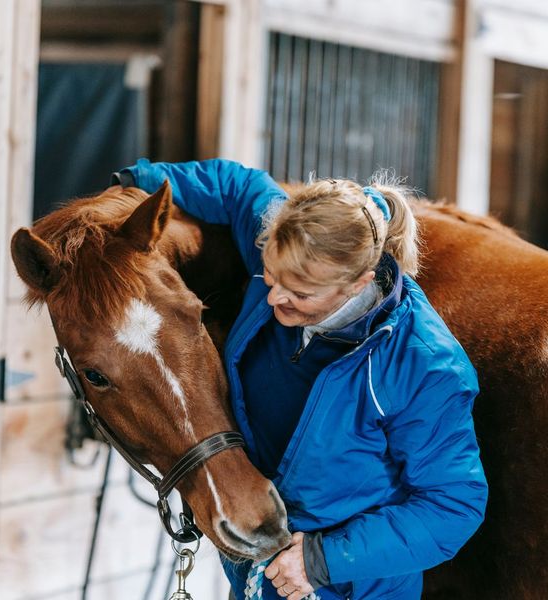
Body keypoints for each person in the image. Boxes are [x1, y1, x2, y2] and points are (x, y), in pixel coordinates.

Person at [112, 159, 488, 600]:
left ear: (357, 283)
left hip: (344, 586)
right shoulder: (291, 251)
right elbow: (239, 186)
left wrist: (322, 560)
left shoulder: (425, 365)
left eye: (300, 293)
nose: (273, 298)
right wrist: (133, 183)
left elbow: (454, 505)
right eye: (270, 276)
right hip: (260, 576)